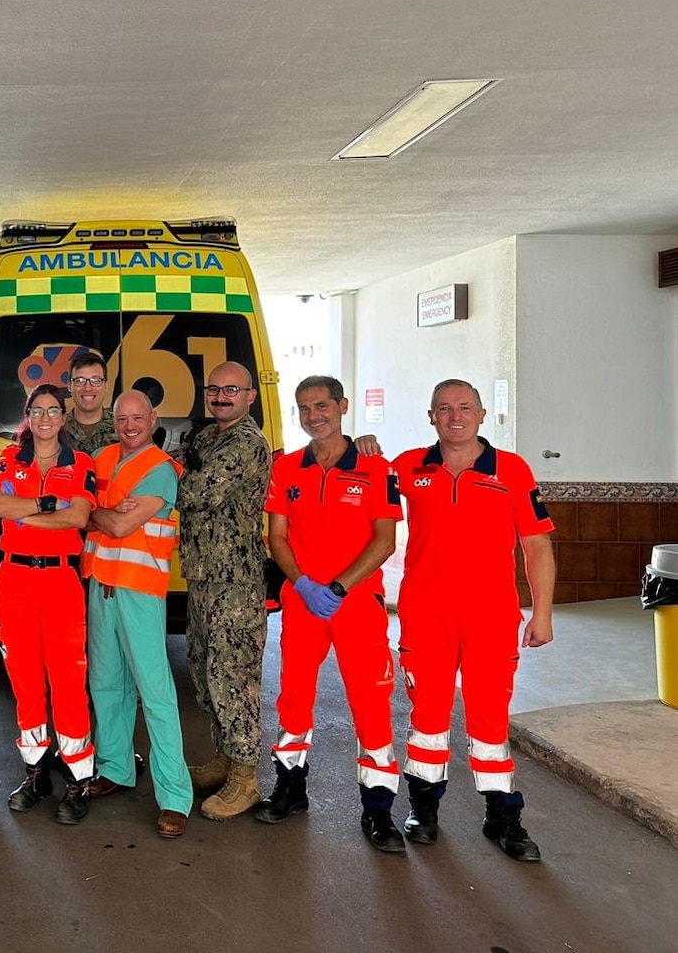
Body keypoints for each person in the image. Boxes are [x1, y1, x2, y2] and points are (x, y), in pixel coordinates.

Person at [381, 379, 555, 862]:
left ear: (481, 415)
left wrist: (541, 611)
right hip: (426, 614)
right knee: (428, 721)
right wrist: (361, 446)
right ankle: (423, 810)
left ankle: (502, 817)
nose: (454, 416)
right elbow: (363, 490)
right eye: (443, 409)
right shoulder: (409, 466)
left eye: (464, 408)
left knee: (489, 721)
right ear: (430, 416)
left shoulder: (512, 470)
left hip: (492, 617)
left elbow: (537, 545)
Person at [255, 377, 404, 852]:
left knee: (371, 703)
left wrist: (339, 586)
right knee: (294, 699)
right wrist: (301, 583)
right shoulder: (287, 469)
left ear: (342, 406)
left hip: (356, 602)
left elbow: (385, 540)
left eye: (321, 405)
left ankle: (378, 810)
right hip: (303, 601)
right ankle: (290, 789)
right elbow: (277, 536)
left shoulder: (376, 467)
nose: (312, 415)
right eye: (303, 408)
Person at [82, 391, 192, 839]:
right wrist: (100, 511)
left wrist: (97, 512)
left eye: (138, 418)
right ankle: (116, 767)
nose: (130, 426)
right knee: (106, 683)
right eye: (122, 418)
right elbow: (82, 513)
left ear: (154, 419)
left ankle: (175, 796)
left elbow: (121, 525)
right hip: (99, 587)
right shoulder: (99, 457)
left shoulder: (161, 470)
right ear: (113, 421)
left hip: (140, 592)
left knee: (156, 692)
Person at [0, 383, 98, 824]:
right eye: (38, 410)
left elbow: (78, 517)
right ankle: (36, 773)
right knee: (25, 680)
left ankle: (79, 779)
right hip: (13, 577)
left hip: (60, 578)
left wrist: (26, 513)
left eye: (54, 410)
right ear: (28, 415)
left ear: (64, 417)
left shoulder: (81, 463)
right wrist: (44, 504)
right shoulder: (8, 458)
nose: (46, 418)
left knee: (68, 682)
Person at [177, 360, 273, 820]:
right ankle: (225, 757)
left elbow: (194, 491)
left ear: (250, 396)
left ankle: (246, 778)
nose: (220, 396)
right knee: (203, 669)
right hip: (201, 575)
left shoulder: (247, 443)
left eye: (231, 390)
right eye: (213, 389)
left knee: (232, 676)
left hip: (236, 582)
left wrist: (156, 474)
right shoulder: (207, 437)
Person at [65, 351, 117, 455]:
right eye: (80, 380)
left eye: (95, 380)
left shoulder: (122, 427)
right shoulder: (56, 429)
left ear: (106, 385)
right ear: (70, 386)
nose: (88, 388)